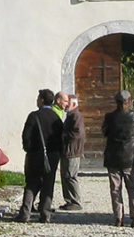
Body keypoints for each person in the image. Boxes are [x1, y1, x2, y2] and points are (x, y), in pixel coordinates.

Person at [17, 88, 64, 222]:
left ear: (42, 100)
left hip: (36, 154)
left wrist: (29, 149)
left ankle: (25, 213)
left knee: (31, 182)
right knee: (48, 184)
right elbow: (62, 137)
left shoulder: (34, 116)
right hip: (52, 155)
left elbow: (26, 135)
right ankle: (45, 214)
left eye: (38, 98)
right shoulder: (56, 117)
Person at [102, 89, 134, 227]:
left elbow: (105, 132)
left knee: (115, 188)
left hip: (113, 157)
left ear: (117, 102)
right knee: (132, 187)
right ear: (129, 101)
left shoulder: (109, 117)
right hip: (130, 157)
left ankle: (118, 217)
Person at [58, 92, 85, 210]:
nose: (66, 105)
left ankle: (75, 201)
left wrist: (63, 135)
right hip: (68, 150)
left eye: (68, 103)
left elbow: (77, 133)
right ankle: (69, 200)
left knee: (70, 176)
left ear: (73, 104)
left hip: (72, 151)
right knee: (65, 175)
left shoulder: (76, 116)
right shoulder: (71, 116)